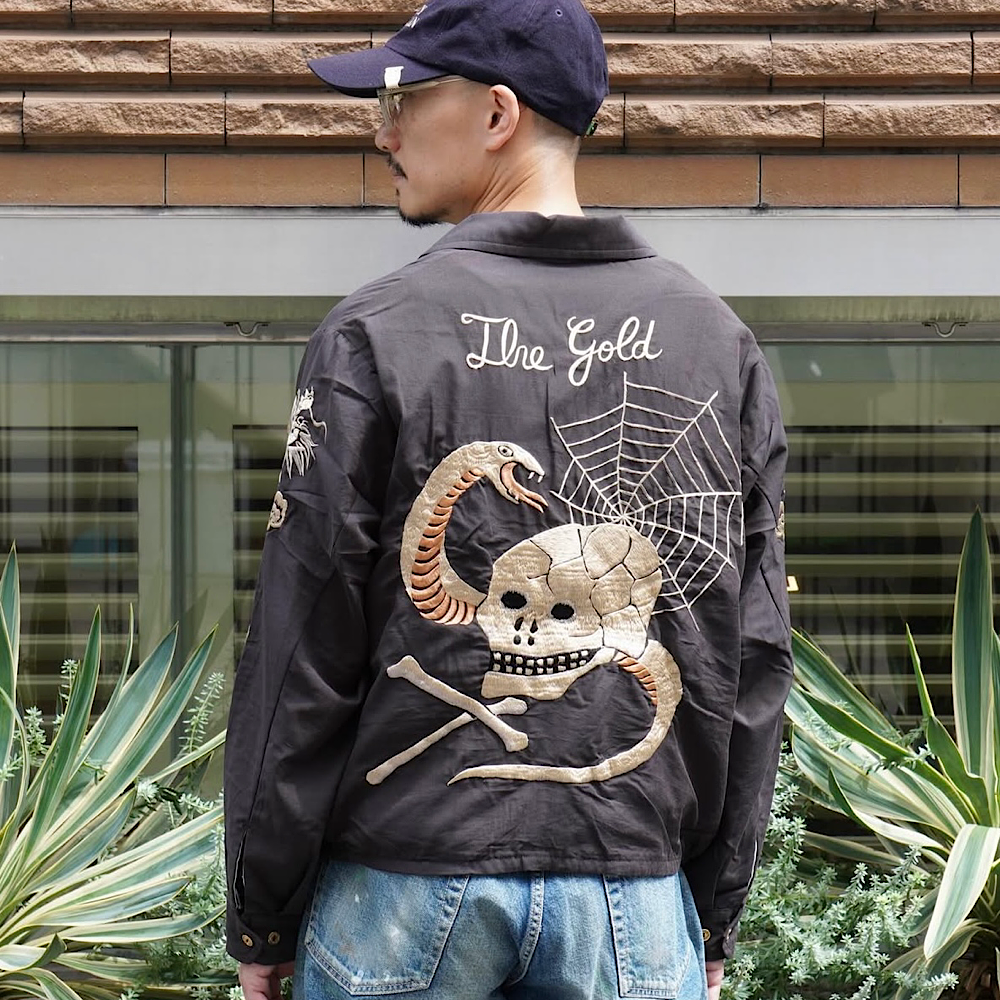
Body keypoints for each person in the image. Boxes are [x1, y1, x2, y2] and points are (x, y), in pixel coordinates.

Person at [223, 1, 793, 998]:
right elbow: (752, 655)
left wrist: (263, 909)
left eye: (404, 99)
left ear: (497, 113)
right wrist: (712, 910)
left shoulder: (375, 334)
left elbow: (303, 640)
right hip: (632, 898)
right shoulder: (719, 342)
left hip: (403, 886)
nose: (384, 133)